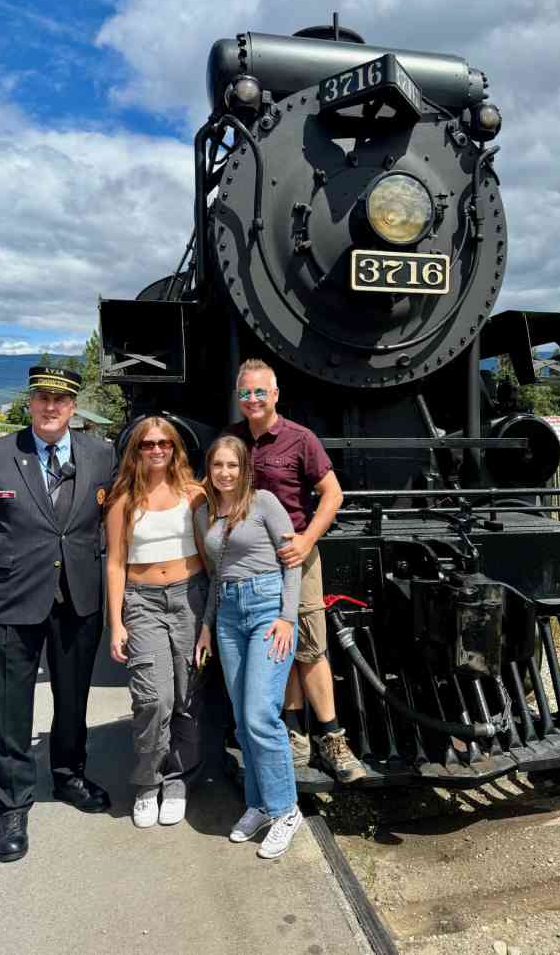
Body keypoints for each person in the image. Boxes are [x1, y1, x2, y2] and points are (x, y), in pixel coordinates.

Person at [0, 366, 117, 863]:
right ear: (30, 402)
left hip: (78, 599)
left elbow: (116, 522)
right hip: (11, 601)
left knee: (72, 700)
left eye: (60, 400)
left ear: (73, 406)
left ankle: (68, 777)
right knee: (9, 708)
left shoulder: (101, 454)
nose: (50, 407)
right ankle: (13, 805)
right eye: (42, 398)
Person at [229, 359, 365, 784]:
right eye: (245, 393)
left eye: (259, 392)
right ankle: (292, 732)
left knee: (308, 644)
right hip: (248, 560)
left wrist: (307, 541)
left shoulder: (299, 439)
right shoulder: (231, 440)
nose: (252, 399)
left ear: (275, 395)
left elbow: (332, 494)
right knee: (274, 644)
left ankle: (332, 736)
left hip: (293, 556)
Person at [194, 435, 303, 859]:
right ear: (210, 468)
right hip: (227, 614)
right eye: (218, 465)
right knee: (242, 720)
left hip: (266, 608)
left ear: (245, 469)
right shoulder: (206, 512)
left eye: (232, 466)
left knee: (260, 714)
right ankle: (258, 804)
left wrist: (286, 617)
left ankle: (285, 810)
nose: (224, 473)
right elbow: (216, 576)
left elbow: (291, 560)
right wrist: (206, 626)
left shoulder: (264, 503)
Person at [105, 417, 208, 828]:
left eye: (164, 442)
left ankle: (178, 777)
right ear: (137, 449)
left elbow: (211, 552)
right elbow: (114, 563)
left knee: (187, 694)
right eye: (148, 444)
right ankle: (148, 781)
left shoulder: (195, 494)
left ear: (176, 447)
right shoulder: (122, 499)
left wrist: (211, 617)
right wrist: (116, 622)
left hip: (189, 596)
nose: (156, 449)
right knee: (153, 698)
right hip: (142, 601)